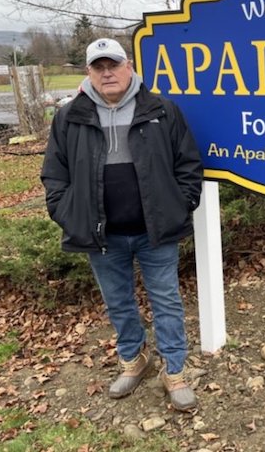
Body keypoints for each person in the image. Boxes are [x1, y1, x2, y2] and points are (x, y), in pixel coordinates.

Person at [41, 38, 203, 411]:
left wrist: (180, 205)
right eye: (98, 67)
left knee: (167, 301)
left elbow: (188, 164)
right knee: (117, 302)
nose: (107, 73)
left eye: (113, 64)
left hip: (155, 230)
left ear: (128, 66)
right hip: (102, 234)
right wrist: (67, 212)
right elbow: (55, 173)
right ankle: (134, 359)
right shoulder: (69, 116)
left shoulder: (161, 110)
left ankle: (174, 370)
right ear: (89, 72)